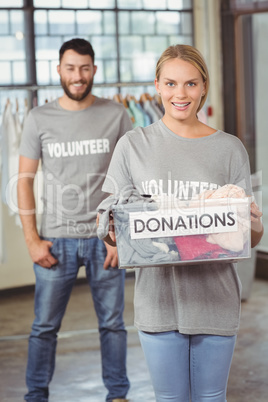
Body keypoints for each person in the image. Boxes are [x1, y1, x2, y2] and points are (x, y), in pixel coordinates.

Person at [97, 44, 264, 402]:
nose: (180, 94)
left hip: (215, 300)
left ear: (204, 86)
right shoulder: (133, 145)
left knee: (211, 397)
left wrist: (251, 223)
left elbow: (246, 239)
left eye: (190, 84)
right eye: (171, 83)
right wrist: (112, 231)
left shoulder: (230, 148)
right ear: (157, 85)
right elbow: (113, 222)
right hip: (158, 301)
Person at [17, 38, 132, 402]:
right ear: (59, 70)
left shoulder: (116, 114)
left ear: (94, 70)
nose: (78, 76)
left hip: (103, 239)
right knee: (44, 327)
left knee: (113, 325)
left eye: (84, 68)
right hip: (56, 239)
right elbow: (24, 181)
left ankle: (117, 394)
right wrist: (32, 240)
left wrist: (120, 236)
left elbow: (130, 181)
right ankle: (36, 395)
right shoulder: (39, 118)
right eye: (70, 68)